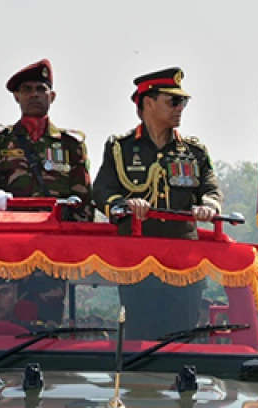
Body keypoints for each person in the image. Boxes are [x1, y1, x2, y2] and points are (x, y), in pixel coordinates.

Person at [92, 67, 222, 340]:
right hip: (138, 261)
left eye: (183, 102)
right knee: (140, 338)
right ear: (148, 102)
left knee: (181, 339)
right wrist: (125, 205)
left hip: (183, 263)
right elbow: (102, 191)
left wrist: (208, 206)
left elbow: (211, 189)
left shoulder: (193, 151)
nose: (180, 108)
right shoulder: (121, 148)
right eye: (173, 101)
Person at [0, 59, 93, 221]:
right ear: (17, 96)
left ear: (52, 97)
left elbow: (83, 196)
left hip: (58, 226)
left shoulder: (71, 143)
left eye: (41, 89)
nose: (34, 94)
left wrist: (78, 230)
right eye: (26, 89)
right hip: (10, 225)